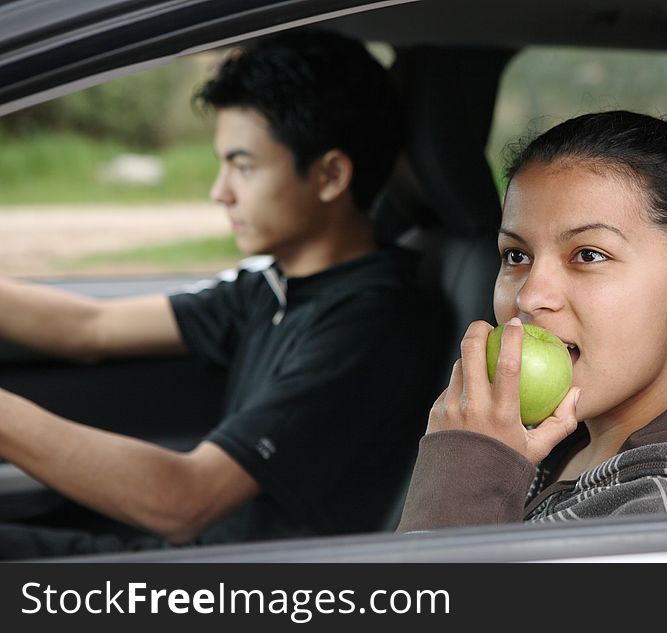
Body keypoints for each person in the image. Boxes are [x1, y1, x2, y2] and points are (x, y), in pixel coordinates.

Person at [0, 29, 446, 558]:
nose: (220, 191)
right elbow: (88, 329)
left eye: (244, 166)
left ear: (330, 175)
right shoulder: (274, 286)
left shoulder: (373, 323)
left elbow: (183, 501)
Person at [397, 111, 667, 531]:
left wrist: (466, 466)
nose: (530, 297)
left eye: (589, 255)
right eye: (517, 255)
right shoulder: (554, 441)